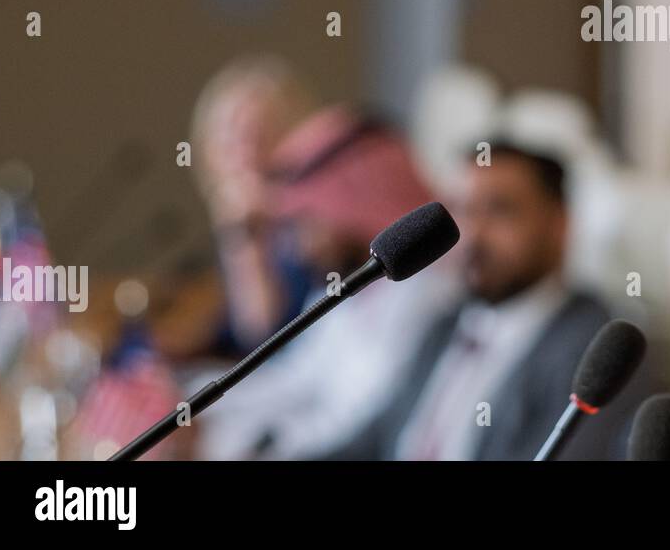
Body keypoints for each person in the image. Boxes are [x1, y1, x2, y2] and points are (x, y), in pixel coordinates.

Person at [323, 139, 646, 460]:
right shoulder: (445, 324)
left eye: (499, 210)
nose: (473, 234)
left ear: (559, 225)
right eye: (462, 210)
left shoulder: (600, 352)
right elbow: (375, 437)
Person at [197, 104, 455, 459]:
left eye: (309, 221)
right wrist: (189, 409)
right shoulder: (349, 287)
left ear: (354, 205)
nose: (301, 246)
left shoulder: (428, 295)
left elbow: (360, 429)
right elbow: (294, 381)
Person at [190, 54, 320, 354]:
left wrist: (247, 239)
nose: (243, 155)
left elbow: (261, 333)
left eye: (257, 136)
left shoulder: (309, 228)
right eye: (229, 138)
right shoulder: (234, 217)